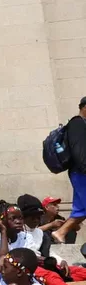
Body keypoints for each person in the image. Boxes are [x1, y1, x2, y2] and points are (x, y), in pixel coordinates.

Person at [18, 194, 86, 285]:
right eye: (32, 217)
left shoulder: (40, 233)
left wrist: (61, 260)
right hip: (31, 268)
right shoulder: (18, 232)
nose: (36, 220)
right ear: (23, 217)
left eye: (38, 217)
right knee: (50, 275)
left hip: (47, 263)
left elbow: (48, 252)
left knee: (79, 271)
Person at [52, 97, 86, 244]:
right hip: (81, 172)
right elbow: (78, 150)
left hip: (80, 171)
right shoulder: (78, 123)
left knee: (81, 209)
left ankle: (60, 232)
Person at [0, 202, 35, 281]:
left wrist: (3, 258)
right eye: (13, 218)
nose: (18, 221)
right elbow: (3, 259)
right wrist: (3, 231)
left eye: (21, 218)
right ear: (2, 220)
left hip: (20, 274)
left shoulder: (27, 237)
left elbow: (27, 260)